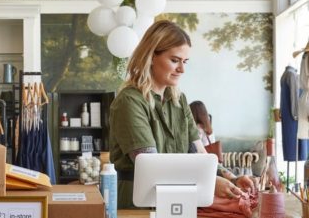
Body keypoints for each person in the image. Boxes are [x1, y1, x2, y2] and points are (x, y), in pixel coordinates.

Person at [109, 20, 257, 209]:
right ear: (151, 56)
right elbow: (152, 168)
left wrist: (231, 178)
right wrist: (210, 183)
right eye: (175, 60)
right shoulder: (129, 101)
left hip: (178, 201)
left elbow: (199, 153)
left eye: (185, 61)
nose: (182, 69)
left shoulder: (179, 101)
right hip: (138, 205)